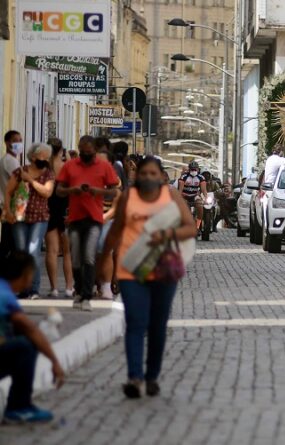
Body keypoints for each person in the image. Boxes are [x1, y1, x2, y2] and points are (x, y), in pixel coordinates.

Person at [100, 157, 195, 398]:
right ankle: (134, 377)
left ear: (161, 176)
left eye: (153, 173)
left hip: (163, 269)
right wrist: (103, 262)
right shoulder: (128, 197)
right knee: (135, 321)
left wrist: (167, 234)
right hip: (131, 268)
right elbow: (115, 231)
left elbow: (190, 227)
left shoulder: (171, 196)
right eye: (144, 173)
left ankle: (152, 376)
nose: (148, 178)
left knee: (157, 325)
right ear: (137, 175)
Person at [55, 135, 119, 312]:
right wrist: (72, 190)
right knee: (76, 258)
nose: (86, 155)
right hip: (75, 218)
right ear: (79, 149)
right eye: (83, 152)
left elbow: (114, 191)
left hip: (94, 218)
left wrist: (97, 191)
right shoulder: (70, 166)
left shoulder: (104, 166)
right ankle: (79, 289)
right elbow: (59, 190)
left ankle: (87, 295)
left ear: (94, 151)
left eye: (89, 152)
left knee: (89, 256)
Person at [0, 251, 65, 423]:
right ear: (25, 275)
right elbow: (30, 329)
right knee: (26, 345)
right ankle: (19, 407)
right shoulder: (5, 295)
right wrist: (55, 362)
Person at [2, 143, 55, 299]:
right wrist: (8, 211)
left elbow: (47, 192)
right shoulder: (20, 172)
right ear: (33, 157)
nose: (45, 160)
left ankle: (34, 289)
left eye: (47, 157)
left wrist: (30, 180)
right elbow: (8, 191)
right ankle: (23, 288)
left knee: (33, 251)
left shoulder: (48, 174)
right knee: (21, 252)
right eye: (42, 157)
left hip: (39, 218)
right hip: (20, 217)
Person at [44, 138, 75, 299]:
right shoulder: (67, 167)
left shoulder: (45, 168)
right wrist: (68, 157)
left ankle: (54, 288)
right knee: (67, 252)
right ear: (61, 150)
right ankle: (69, 287)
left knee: (52, 250)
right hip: (66, 209)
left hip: (48, 209)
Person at [95, 147, 121, 300]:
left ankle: (106, 284)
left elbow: (116, 205)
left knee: (104, 250)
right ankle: (95, 282)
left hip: (108, 219)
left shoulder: (114, 180)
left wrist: (105, 217)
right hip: (90, 218)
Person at [1, 130, 23, 259]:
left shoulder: (8, 160)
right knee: (11, 243)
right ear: (7, 143)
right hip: (11, 206)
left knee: (7, 241)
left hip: (7, 205)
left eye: (20, 140)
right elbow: (20, 183)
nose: (19, 143)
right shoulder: (11, 161)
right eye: (15, 141)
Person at [178, 161, 207, 231]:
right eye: (192, 169)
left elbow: (204, 190)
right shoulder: (184, 177)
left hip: (195, 196)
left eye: (195, 169)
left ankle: (197, 226)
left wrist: (206, 198)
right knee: (186, 208)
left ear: (198, 169)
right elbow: (180, 190)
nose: (193, 171)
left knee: (200, 206)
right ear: (189, 169)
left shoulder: (201, 178)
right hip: (185, 196)